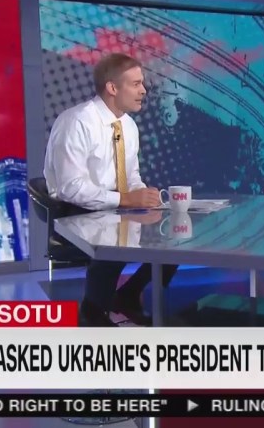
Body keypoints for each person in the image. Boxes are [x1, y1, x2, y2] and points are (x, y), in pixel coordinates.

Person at [44, 53, 178, 326]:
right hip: (73, 209)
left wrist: (144, 197)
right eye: (136, 84)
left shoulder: (128, 125)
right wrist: (126, 199)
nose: (144, 90)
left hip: (114, 205)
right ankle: (92, 312)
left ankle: (128, 294)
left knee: (175, 235)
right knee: (111, 237)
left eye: (142, 83)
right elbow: (71, 188)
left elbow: (131, 176)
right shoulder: (77, 122)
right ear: (112, 88)